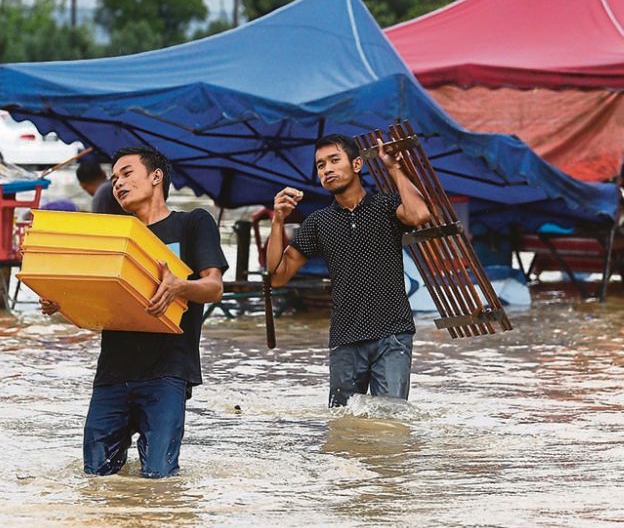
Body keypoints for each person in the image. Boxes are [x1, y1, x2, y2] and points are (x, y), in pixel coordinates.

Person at [41, 146, 228, 478]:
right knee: (96, 477)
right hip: (112, 373)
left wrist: (180, 286)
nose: (118, 184)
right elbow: (101, 304)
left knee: (159, 477)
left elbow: (213, 287)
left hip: (167, 371)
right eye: (114, 179)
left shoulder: (192, 222)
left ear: (156, 177)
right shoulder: (114, 235)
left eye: (127, 173)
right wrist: (63, 299)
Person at [267, 134, 431, 405]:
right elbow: (277, 275)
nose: (327, 169)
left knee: (390, 423)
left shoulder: (386, 206)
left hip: (392, 334)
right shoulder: (318, 222)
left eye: (334, 160)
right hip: (345, 336)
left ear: (356, 165)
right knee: (343, 426)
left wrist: (393, 168)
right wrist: (278, 220)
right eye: (320, 165)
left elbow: (419, 215)